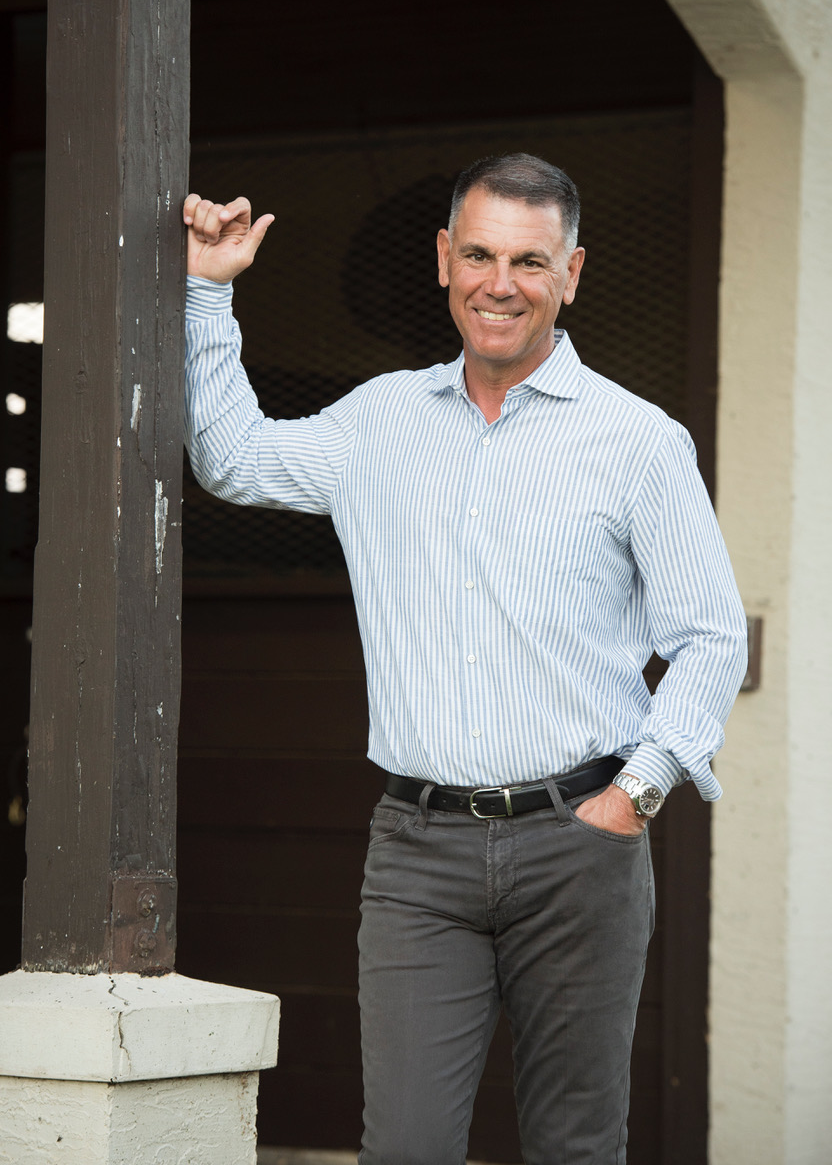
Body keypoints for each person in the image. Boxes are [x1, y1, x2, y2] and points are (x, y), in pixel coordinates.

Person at [182, 154, 747, 1165]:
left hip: (580, 845)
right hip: (418, 851)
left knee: (575, 1145)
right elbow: (232, 459)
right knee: (406, 1146)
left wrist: (636, 794)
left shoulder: (637, 441)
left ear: (571, 272)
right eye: (479, 254)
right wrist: (207, 292)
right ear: (444, 258)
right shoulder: (378, 421)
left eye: (529, 261)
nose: (500, 284)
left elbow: (708, 635)